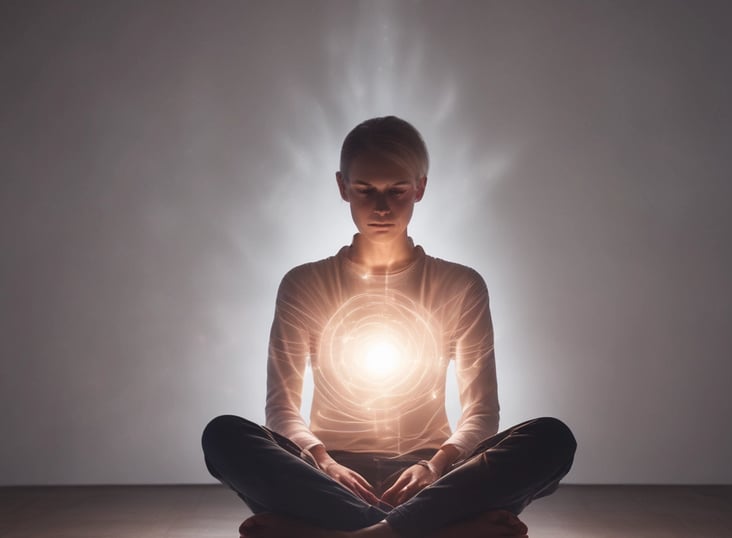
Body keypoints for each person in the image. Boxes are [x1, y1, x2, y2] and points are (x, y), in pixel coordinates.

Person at [202, 116, 576, 538]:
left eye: (396, 191)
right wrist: (324, 462)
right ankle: (434, 529)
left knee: (551, 439)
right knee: (223, 436)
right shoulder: (304, 284)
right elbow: (282, 409)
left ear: (420, 187)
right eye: (365, 190)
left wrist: (435, 465)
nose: (381, 207)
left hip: (432, 473)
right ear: (343, 186)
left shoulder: (460, 285)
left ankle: (338, 532)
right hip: (328, 476)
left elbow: (481, 410)